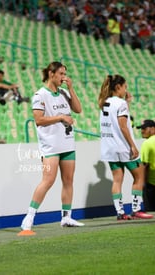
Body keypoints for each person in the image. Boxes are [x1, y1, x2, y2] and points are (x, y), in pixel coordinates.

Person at [19, 61, 84, 235]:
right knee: (48, 180)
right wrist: (61, 117)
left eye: (65, 74)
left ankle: (66, 217)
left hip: (68, 143)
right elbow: (39, 120)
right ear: (51, 73)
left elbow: (78, 109)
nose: (64, 77)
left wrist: (71, 89)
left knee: (68, 180)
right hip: (50, 146)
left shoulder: (63, 92)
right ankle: (29, 217)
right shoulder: (40, 95)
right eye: (61, 74)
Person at [98, 74, 153, 220]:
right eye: (125, 87)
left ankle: (120, 213)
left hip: (109, 148)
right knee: (140, 174)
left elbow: (120, 119)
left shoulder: (105, 102)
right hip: (122, 147)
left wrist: (127, 102)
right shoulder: (119, 103)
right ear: (118, 87)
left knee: (117, 179)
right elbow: (123, 126)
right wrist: (133, 146)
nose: (126, 89)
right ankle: (136, 210)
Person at [137, 119, 155, 211]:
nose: (142, 131)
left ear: (152, 128)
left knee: (151, 212)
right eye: (141, 129)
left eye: (144, 128)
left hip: (152, 184)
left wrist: (142, 183)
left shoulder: (147, 144)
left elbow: (144, 165)